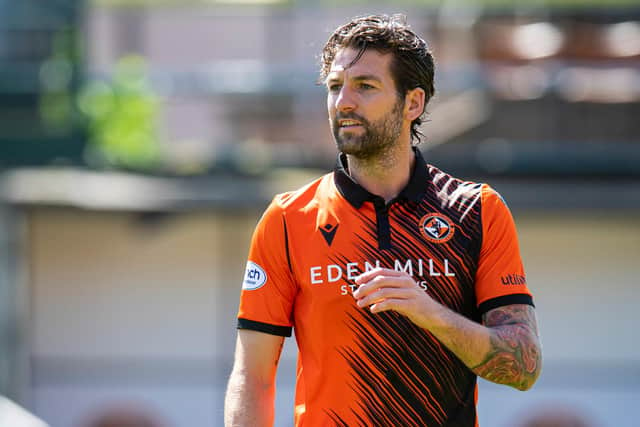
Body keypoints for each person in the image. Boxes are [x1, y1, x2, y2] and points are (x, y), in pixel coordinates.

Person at [224, 13, 542, 427]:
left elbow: (522, 367)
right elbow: (252, 376)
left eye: (365, 87)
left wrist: (428, 312)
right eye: (335, 87)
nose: (344, 102)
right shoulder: (287, 218)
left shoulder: (476, 210)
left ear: (413, 102)